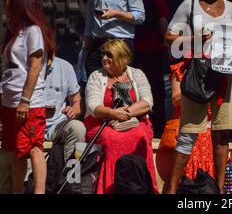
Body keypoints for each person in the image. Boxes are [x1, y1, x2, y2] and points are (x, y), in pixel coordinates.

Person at [163, 0, 232, 194]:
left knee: (222, 133)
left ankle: (219, 190)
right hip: (198, 75)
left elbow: (231, 41)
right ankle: (172, 189)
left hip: (225, 75)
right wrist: (197, 39)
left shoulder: (231, 8)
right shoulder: (190, 5)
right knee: (189, 132)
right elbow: (169, 38)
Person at [0, 0, 55, 194]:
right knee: (15, 150)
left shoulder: (33, 31)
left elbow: (34, 65)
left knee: (34, 147)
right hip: (9, 102)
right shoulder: (14, 32)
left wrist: (25, 100)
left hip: (28, 103)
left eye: (8, 0)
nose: (5, 5)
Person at [84, 39, 158, 193]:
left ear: (122, 57)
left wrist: (125, 113)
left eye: (110, 55)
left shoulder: (137, 74)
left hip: (132, 120)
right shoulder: (96, 76)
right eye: (104, 54)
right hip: (101, 122)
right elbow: (93, 107)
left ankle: (139, 186)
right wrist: (113, 113)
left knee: (140, 136)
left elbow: (147, 102)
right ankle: (110, 188)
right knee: (112, 140)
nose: (105, 58)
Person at [157, 60, 215, 188]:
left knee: (209, 138)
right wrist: (198, 93)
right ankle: (187, 186)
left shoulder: (216, 69)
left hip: (211, 121)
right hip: (184, 118)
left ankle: (207, 186)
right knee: (195, 139)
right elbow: (176, 99)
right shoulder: (180, 69)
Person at [134, 0, 169, 139]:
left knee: (136, 87)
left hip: (135, 51)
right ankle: (159, 126)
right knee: (156, 89)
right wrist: (168, 44)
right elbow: (162, 22)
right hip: (154, 50)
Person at [45, 55, 85, 162]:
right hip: (30, 125)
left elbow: (77, 101)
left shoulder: (65, 66)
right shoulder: (24, 64)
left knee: (78, 128)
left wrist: (73, 110)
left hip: (56, 125)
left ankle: (71, 174)